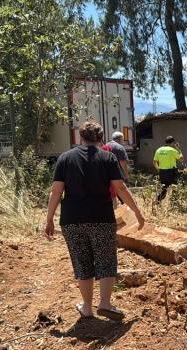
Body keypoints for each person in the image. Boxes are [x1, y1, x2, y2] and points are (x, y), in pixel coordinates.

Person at [44, 121, 145, 322]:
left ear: (80, 138)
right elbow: (121, 188)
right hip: (102, 218)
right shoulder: (108, 158)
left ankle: (88, 308)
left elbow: (56, 191)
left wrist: (49, 219)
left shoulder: (65, 158)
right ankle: (105, 303)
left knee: (82, 263)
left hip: (72, 220)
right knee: (106, 259)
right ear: (100, 139)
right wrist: (137, 212)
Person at [153, 136, 184, 201]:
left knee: (164, 189)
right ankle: (174, 204)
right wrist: (179, 149)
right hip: (171, 172)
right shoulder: (172, 150)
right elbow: (181, 159)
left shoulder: (159, 150)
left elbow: (154, 162)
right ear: (172, 143)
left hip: (162, 173)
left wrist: (158, 169)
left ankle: (156, 201)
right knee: (175, 188)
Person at [101, 144, 119, 209]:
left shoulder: (99, 158)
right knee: (113, 195)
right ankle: (115, 209)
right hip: (110, 179)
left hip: (102, 180)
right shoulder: (111, 158)